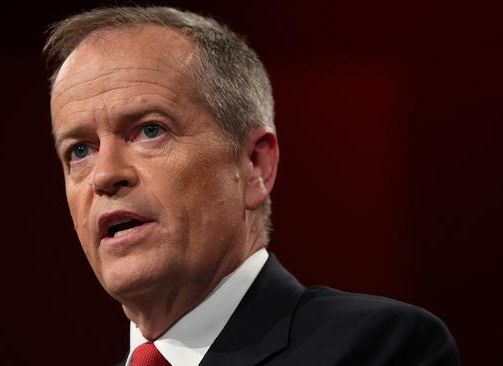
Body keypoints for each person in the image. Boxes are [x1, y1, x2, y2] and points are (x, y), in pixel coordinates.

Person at [43, 6, 459, 366]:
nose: (104, 175)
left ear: (254, 164)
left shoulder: (375, 346)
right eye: (79, 150)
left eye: (150, 130)